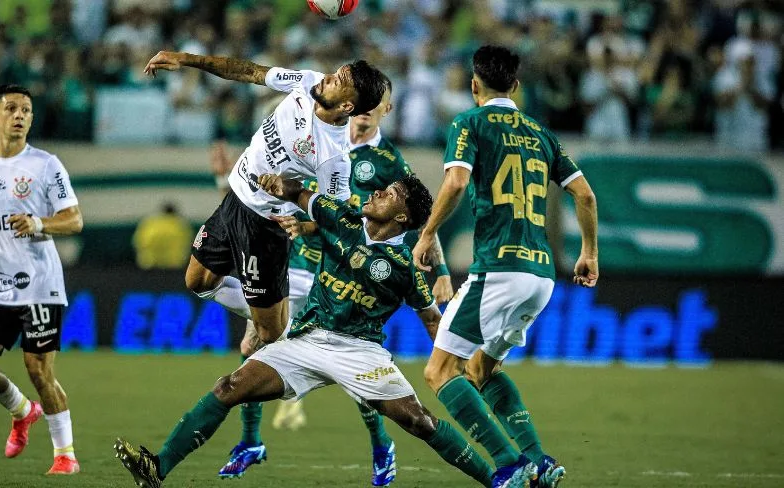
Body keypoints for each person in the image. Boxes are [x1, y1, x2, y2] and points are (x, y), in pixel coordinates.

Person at [114, 173, 533, 488]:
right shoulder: (344, 218)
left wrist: (450, 363)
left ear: (402, 217)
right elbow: (300, 193)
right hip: (306, 338)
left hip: (360, 351)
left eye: (388, 195)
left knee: (419, 422)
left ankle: (495, 480)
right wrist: (278, 183)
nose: (377, 193)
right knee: (229, 387)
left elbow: (430, 320)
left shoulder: (405, 266)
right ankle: (157, 468)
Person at [413, 45, 600, 488]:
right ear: (516, 86)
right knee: (481, 369)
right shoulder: (540, 132)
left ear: (474, 85)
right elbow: (585, 195)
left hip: (498, 268)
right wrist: (589, 252)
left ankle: (510, 464)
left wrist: (426, 234)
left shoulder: (469, 122)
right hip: (542, 276)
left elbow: (457, 181)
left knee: (439, 371)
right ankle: (539, 459)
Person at [263, 75, 456, 486]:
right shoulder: (321, 135)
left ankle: (380, 443)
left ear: (386, 111)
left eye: (377, 103)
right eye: (361, 101)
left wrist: (439, 271)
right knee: (255, 341)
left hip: (353, 267)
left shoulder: (390, 164)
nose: (366, 109)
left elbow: (421, 220)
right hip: (305, 259)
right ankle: (248, 442)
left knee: (355, 368)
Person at [142, 50, 385, 352]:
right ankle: (273, 308)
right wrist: (186, 59)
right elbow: (248, 71)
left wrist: (303, 225)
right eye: (335, 72)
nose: (328, 77)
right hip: (235, 200)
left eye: (338, 80)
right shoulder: (307, 83)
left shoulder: (334, 156)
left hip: (265, 227)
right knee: (198, 282)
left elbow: (334, 217)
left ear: (347, 105)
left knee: (269, 334)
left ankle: (287, 323)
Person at [0, 84, 84, 475]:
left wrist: (38, 222)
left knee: (39, 370)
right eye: (11, 108)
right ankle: (23, 411)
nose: (20, 115)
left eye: (26, 110)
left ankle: (66, 455)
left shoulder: (46, 165)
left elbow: (75, 220)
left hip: (40, 286)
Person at [132, 201, 193, 270]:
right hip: (174, 264)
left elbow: (138, 241)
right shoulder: (181, 225)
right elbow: (189, 243)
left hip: (148, 263)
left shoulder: (149, 224)